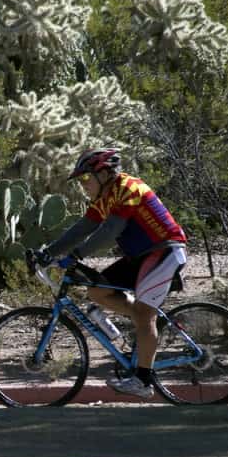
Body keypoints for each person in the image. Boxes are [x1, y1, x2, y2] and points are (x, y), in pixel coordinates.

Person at [38, 147, 188, 398]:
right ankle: (144, 326)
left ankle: (143, 381)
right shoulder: (105, 198)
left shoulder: (128, 187)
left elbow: (109, 232)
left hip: (165, 250)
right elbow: (83, 228)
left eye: (86, 179)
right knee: (97, 291)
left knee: (144, 314)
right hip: (140, 257)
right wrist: (48, 253)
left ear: (104, 173)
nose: (83, 185)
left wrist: (75, 256)